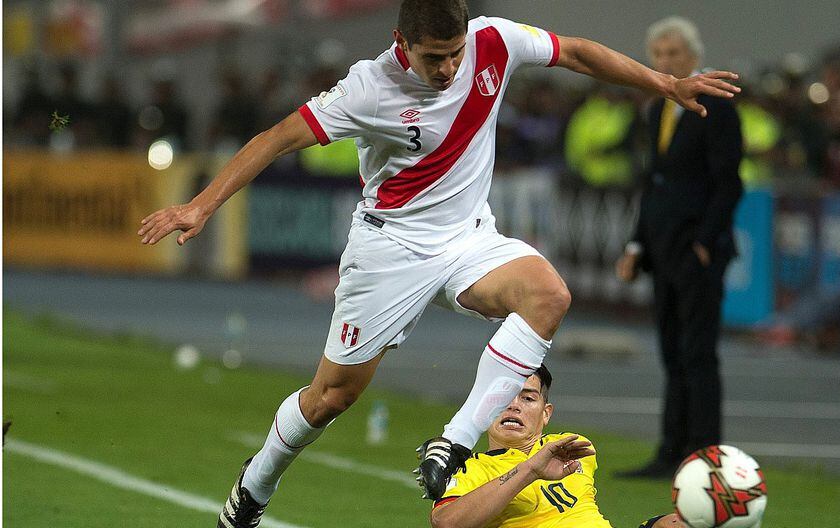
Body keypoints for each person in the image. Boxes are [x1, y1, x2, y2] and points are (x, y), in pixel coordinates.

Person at [138, 2, 740, 525]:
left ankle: (452, 443)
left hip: (469, 239)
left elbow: (577, 53)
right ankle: (256, 484)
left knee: (549, 295)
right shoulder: (367, 88)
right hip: (389, 250)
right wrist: (200, 205)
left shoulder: (494, 41)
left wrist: (665, 84)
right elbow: (277, 137)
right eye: (434, 58)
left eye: (455, 54)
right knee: (330, 398)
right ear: (402, 43)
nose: (450, 68)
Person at [615, 17, 743, 479]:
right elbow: (654, 184)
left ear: (694, 57)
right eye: (659, 55)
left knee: (698, 353)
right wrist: (636, 244)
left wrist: (706, 242)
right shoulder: (658, 110)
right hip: (662, 250)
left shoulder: (717, 106)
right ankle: (671, 451)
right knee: (672, 353)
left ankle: (705, 457)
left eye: (674, 54)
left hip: (695, 249)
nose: (665, 62)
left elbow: (729, 183)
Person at [429, 365, 680, 528]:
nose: (514, 406)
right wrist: (530, 470)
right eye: (504, 398)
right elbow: (446, 523)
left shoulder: (571, 447)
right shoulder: (470, 469)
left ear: (546, 413)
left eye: (528, 398)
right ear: (484, 410)